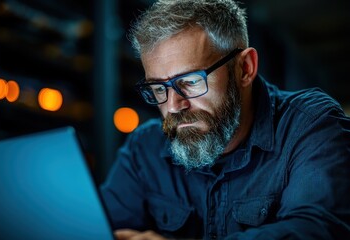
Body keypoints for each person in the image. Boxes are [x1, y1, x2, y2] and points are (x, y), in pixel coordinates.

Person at [100, 0, 350, 239]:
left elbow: (317, 229)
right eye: (158, 88)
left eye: (190, 81)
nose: (174, 106)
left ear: (245, 68)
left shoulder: (310, 124)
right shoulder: (145, 149)